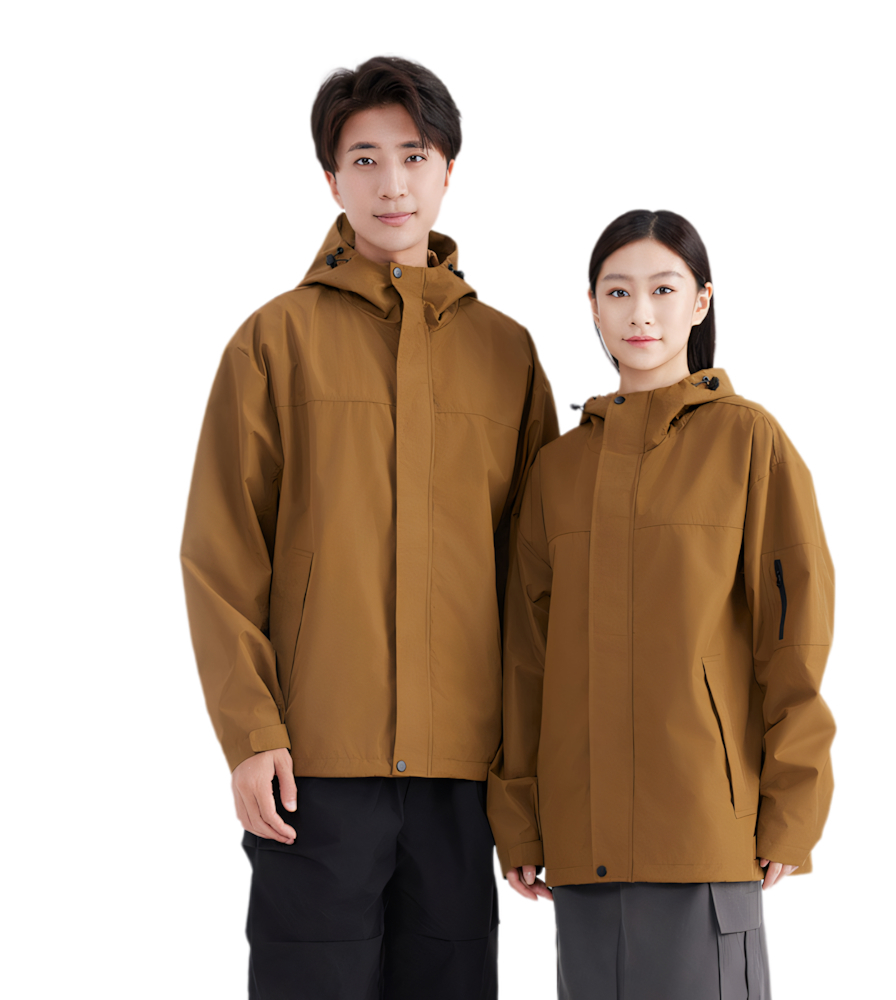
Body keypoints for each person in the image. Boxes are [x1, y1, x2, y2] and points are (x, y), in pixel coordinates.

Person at [180, 55, 558, 1000]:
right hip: (314, 768)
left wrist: (526, 775)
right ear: (331, 179)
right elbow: (221, 553)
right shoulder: (274, 341)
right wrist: (251, 733)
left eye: (414, 155)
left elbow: (537, 582)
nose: (393, 183)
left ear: (448, 171)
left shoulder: (507, 355)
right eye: (365, 159)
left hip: (461, 775)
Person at [487, 209, 836, 999]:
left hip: (704, 830)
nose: (640, 312)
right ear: (593, 306)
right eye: (618, 291)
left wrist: (792, 803)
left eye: (663, 289)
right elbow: (525, 660)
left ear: (701, 301)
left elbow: (795, 637)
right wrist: (521, 818)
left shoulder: (748, 442)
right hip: (581, 841)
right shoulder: (557, 470)